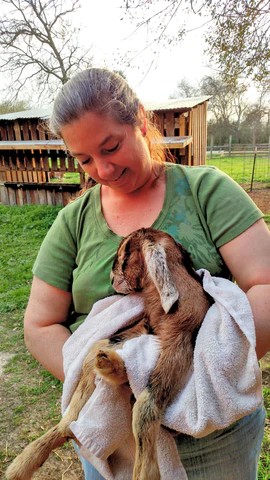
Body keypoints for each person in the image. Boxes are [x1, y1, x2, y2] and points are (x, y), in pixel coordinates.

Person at [24, 68, 270, 480]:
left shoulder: (207, 191)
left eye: (111, 147)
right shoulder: (73, 221)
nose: (101, 169)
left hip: (212, 434)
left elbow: (265, 285)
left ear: (139, 119)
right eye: (84, 159)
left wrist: (197, 376)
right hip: (117, 434)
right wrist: (115, 382)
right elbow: (39, 322)